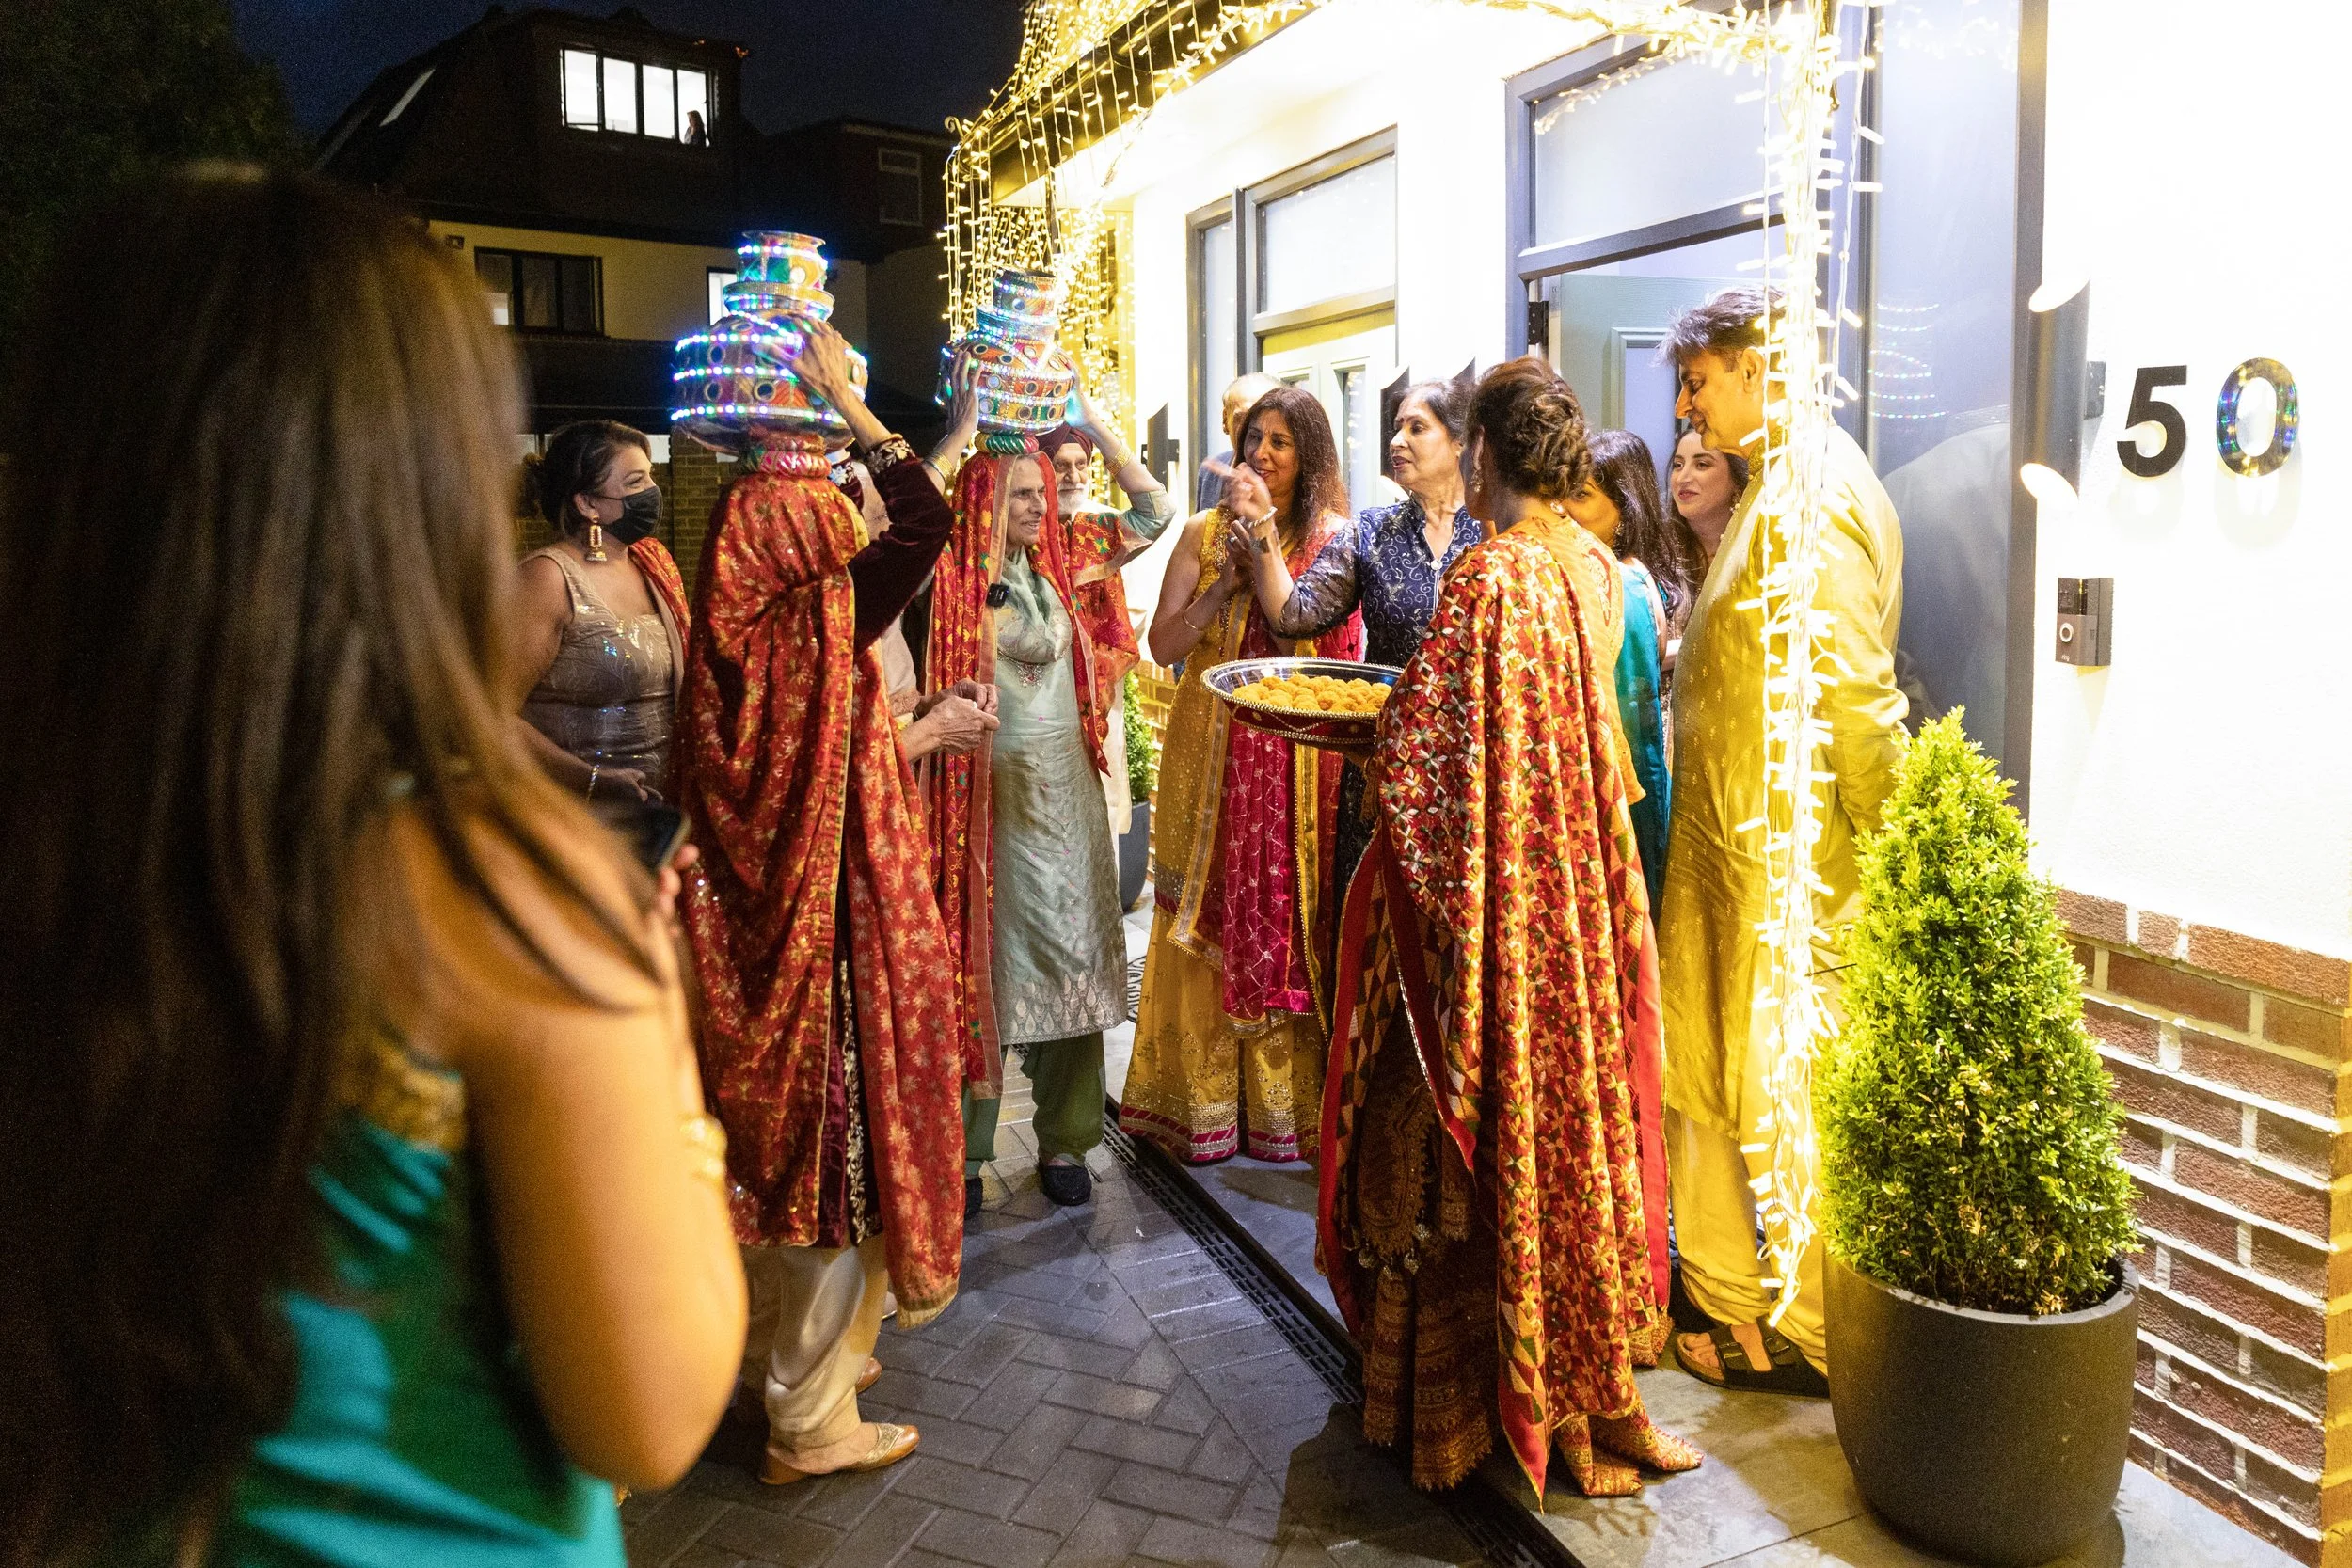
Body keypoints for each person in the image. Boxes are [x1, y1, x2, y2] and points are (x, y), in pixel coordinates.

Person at [0, 166, 745, 1568]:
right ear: (417, 498)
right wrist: (652, 1014)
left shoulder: (57, 848)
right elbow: (650, 1411)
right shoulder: (496, 894)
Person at [1318, 356, 1695, 1499]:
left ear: (1483, 452)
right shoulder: (1587, 565)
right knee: (1565, 1128)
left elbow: (1430, 760)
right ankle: (1573, 1379)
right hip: (1569, 896)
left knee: (1435, 1134)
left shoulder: (1489, 575)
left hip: (1491, 915)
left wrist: (1373, 740)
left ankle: (1455, 1406)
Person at [675, 319, 964, 1485]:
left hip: (790, 893)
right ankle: (808, 1419)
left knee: (817, 1146)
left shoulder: (747, 587)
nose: (858, 515)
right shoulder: (813, 582)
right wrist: (851, 401)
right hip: (829, 902)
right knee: (836, 1153)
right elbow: (926, 519)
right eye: (838, 513)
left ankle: (816, 1365)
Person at [1658, 286, 1907, 1397]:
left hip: (1790, 877)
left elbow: (1856, 701)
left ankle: (1804, 1331)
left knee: (1785, 1099)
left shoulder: (1815, 493)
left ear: (1760, 366)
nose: (1687, 407)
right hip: (1735, 864)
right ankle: (1727, 1297)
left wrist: (1898, 857)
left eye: (1698, 381)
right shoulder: (1773, 487)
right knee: (1717, 1079)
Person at [1122, 387, 1362, 1164]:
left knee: (1286, 910)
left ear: (1311, 455)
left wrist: (1260, 545)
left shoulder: (1332, 540)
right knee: (1203, 908)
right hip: (1209, 753)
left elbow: (1308, 640)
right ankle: (1200, 1105)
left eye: (1280, 442)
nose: (1260, 453)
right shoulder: (1203, 530)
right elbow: (1163, 645)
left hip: (1292, 766)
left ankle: (1280, 1113)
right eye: (1254, 437)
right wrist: (1220, 585)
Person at [1233, 378, 1481, 897]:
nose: (1397, 440)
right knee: (1371, 914)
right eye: (1397, 427)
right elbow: (1293, 616)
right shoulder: (1370, 532)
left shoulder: (1492, 534)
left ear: (1460, 442)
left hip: (1471, 761)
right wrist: (1263, 532)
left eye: (1417, 428)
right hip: (1384, 761)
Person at [513, 420, 690, 801]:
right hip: (576, 809)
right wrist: (589, 779)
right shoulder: (548, 578)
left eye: (650, 477)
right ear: (588, 503)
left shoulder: (650, 564)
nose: (653, 492)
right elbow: (488, 714)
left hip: (661, 807)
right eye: (635, 482)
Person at [1038, 385, 1180, 837]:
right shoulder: (1015, 528)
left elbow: (1158, 509)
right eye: (1060, 466)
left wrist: (1094, 426)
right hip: (1035, 698)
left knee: (1097, 818)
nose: (1073, 476)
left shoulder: (1098, 528)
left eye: (1081, 465)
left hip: (1098, 694)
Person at [1564, 428, 1681, 910]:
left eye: (1582, 495)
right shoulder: (1614, 573)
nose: (1564, 508)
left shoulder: (1623, 584)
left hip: (1626, 798)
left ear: (1624, 509)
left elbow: (1628, 719)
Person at [1666, 424, 1749, 588]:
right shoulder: (1657, 552)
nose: (1682, 478)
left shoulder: (1759, 548)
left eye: (1702, 464)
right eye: (1678, 465)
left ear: (1736, 477)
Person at [1194, 371, 1281, 512]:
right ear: (1225, 420)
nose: (1254, 429)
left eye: (1268, 420)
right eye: (1244, 418)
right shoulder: (1211, 472)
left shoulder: (1288, 475)